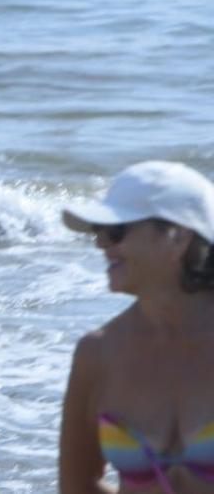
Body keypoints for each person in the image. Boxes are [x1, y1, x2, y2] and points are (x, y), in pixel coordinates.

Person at [58, 161, 214, 494]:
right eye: (98, 232)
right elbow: (77, 487)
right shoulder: (97, 353)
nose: (101, 245)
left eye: (115, 232)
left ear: (177, 238)